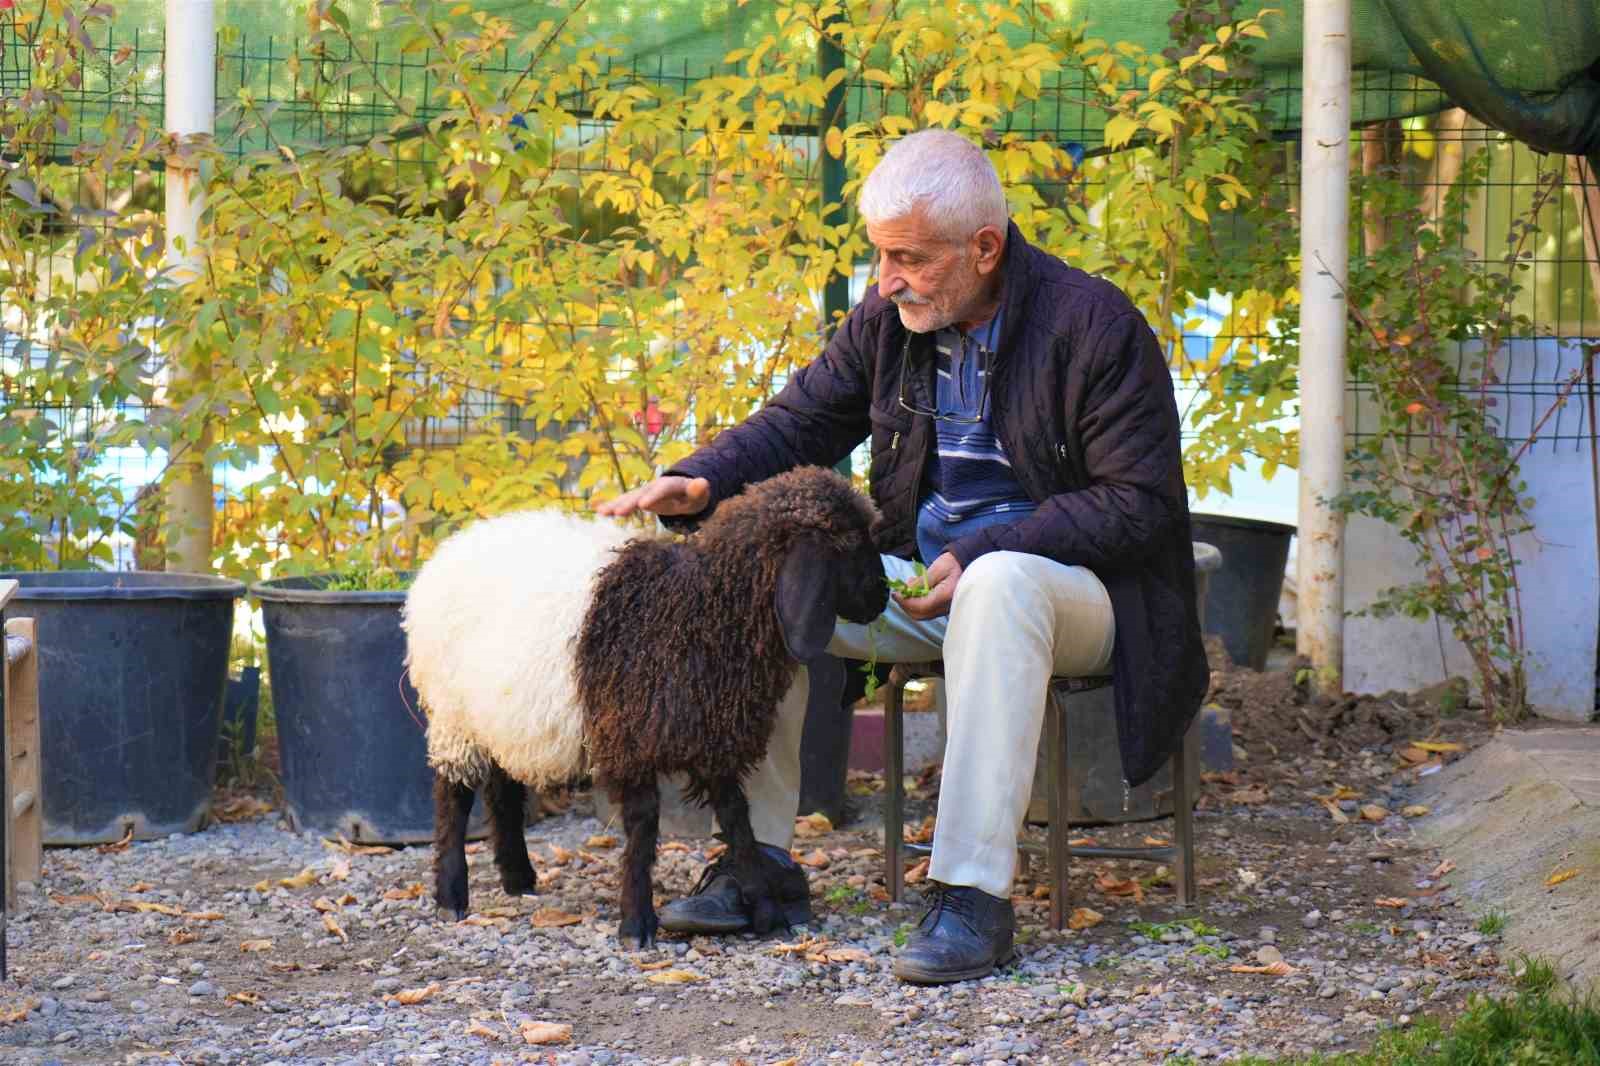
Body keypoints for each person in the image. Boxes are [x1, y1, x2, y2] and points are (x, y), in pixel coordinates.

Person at [596, 128, 1209, 984]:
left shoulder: (1095, 326)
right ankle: (756, 863)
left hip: (1077, 595)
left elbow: (1137, 506)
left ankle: (970, 898)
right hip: (925, 583)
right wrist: (698, 482)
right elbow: (800, 422)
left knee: (997, 583)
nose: (885, 280)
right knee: (757, 578)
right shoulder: (888, 322)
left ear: (985, 248)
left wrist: (995, 542)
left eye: (908, 259)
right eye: (881, 256)